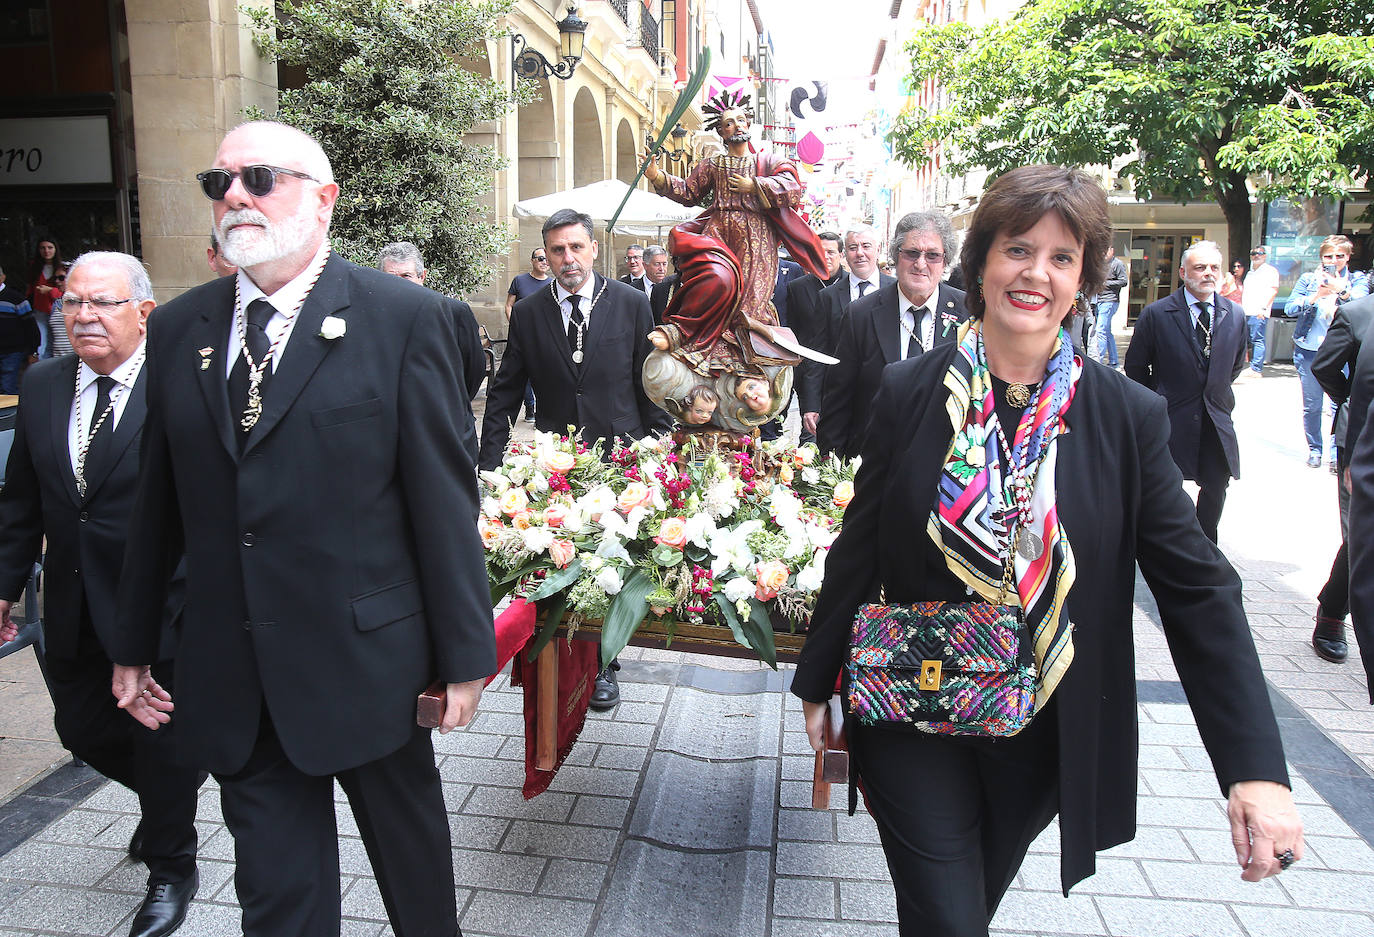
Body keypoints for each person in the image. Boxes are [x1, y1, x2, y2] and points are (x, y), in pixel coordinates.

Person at [791, 165, 1301, 937]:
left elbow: (1199, 590)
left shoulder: (1127, 416)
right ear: (982, 264)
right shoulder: (907, 391)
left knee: (959, 914)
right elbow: (859, 545)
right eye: (1018, 249)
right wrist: (816, 679)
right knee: (950, 923)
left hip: (1043, 724)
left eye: (1062, 258)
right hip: (911, 704)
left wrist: (1255, 767)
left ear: (1082, 280)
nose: (1036, 273)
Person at [107, 121, 496, 937]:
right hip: (237, 674)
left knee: (415, 880)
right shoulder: (180, 330)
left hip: (373, 670)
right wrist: (133, 644)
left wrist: (467, 660)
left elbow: (442, 502)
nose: (236, 197)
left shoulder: (405, 319)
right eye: (220, 184)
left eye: (259, 178)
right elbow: (159, 505)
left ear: (324, 200)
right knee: (279, 905)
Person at [0, 251, 206, 937]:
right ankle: (174, 795)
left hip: (164, 608)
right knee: (81, 728)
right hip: (72, 607)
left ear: (144, 312)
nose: (83, 315)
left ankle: (172, 867)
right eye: (72, 303)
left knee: (160, 740)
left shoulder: (181, 390)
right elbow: (22, 504)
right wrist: (5, 588)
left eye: (103, 302)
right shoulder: (43, 386)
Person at [479, 208, 671, 710]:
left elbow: (647, 381)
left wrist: (658, 443)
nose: (568, 258)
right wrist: (490, 460)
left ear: (593, 249)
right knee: (568, 560)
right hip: (561, 461)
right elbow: (505, 389)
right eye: (557, 250)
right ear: (546, 254)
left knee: (612, 561)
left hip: (621, 455)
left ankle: (606, 662)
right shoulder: (528, 313)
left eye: (576, 247)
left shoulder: (630, 304)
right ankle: (576, 656)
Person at [643, 88, 827, 375]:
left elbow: (793, 189)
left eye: (741, 119)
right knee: (717, 280)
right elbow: (689, 191)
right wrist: (657, 176)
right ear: (721, 131)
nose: (737, 125)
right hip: (719, 233)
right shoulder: (713, 164)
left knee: (753, 295)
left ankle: (746, 356)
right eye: (729, 122)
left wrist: (755, 185)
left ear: (749, 124)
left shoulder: (768, 162)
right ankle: (702, 341)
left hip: (758, 235)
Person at [818, 211, 968, 459]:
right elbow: (838, 398)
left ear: (945, 261)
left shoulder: (967, 313)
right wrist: (831, 466)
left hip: (945, 465)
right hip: (872, 461)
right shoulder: (861, 315)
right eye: (911, 253)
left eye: (932, 255)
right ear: (896, 256)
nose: (921, 264)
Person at [1125, 240, 1247, 543]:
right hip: (1171, 416)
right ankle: (1164, 540)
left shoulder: (1235, 314)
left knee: (1217, 484)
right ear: (1182, 272)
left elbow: (1234, 365)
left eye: (1214, 268)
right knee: (1164, 485)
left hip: (1215, 419)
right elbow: (1136, 367)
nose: (1208, 273)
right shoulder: (1157, 314)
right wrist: (1156, 400)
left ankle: (1205, 544)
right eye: (1200, 267)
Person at [1309, 290, 1374, 663]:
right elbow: (1326, 367)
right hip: (1363, 439)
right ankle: (1334, 611)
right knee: (1362, 536)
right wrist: (1347, 400)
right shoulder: (1357, 314)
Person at [802, 226, 895, 438]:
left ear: (878, 250)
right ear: (845, 254)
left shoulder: (897, 290)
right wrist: (811, 404)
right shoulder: (828, 297)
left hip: (888, 395)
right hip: (840, 400)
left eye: (866, 246)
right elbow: (817, 352)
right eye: (853, 247)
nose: (860, 253)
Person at [1286, 235, 1370, 468]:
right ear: (1321, 257)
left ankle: (1336, 452)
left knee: (1339, 403)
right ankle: (1315, 449)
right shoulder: (1308, 279)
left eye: (1340, 256)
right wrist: (1315, 296)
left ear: (1348, 256)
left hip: (1343, 351)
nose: (1334, 260)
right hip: (1309, 349)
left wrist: (1340, 291)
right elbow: (1291, 308)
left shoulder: (1356, 280)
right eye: (1329, 256)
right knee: (1312, 405)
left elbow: (1361, 304)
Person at [377, 240, 486, 403]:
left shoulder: (455, 313)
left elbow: (473, 370)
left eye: (406, 276)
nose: (398, 284)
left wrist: (453, 406)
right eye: (390, 277)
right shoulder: (370, 316)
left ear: (422, 276)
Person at [787, 231, 844, 443]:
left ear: (840, 254)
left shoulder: (851, 286)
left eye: (831, 252)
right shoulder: (798, 287)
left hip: (842, 370)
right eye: (821, 252)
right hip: (809, 372)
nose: (826, 257)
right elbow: (793, 328)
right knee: (810, 435)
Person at [506, 248, 550, 422]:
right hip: (523, 335)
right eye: (540, 258)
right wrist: (516, 326)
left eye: (546, 259)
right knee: (524, 371)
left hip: (544, 336)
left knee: (543, 372)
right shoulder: (520, 280)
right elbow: (509, 305)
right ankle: (530, 407)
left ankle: (544, 407)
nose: (544, 262)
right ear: (532, 260)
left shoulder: (553, 283)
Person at [1239, 244, 1279, 378]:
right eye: (1254, 254)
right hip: (1246, 311)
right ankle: (1245, 366)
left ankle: (1256, 369)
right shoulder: (1250, 272)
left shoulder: (1270, 271)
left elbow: (1273, 290)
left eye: (1260, 253)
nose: (1256, 256)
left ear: (1265, 256)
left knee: (1257, 339)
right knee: (1246, 339)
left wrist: (1263, 308)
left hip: (1259, 311)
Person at [0, 263, 39, 392]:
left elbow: (31, 326)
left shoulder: (16, 299)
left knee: (8, 387)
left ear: (3, 278)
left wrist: (33, 350)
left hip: (11, 352)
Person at [26, 237, 64, 359]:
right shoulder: (34, 267)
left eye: (50, 247)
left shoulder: (63, 268)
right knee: (41, 344)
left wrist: (50, 291)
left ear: (55, 249)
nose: (46, 251)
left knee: (57, 343)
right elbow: (30, 289)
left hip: (59, 311)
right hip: (40, 310)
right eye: (42, 248)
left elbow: (67, 292)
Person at [1092, 245, 1127, 366]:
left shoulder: (1118, 264)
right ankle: (1113, 360)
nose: (1103, 254)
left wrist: (1105, 283)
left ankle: (1098, 361)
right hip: (1099, 300)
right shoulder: (1101, 264)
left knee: (1100, 330)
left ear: (1112, 250)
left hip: (1110, 300)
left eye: (1105, 251)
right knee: (1106, 331)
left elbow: (1123, 281)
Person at [46, 267, 75, 358]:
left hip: (76, 359)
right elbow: (50, 337)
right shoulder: (56, 303)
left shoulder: (81, 303)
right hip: (57, 358)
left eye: (61, 278)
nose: (57, 281)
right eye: (55, 278)